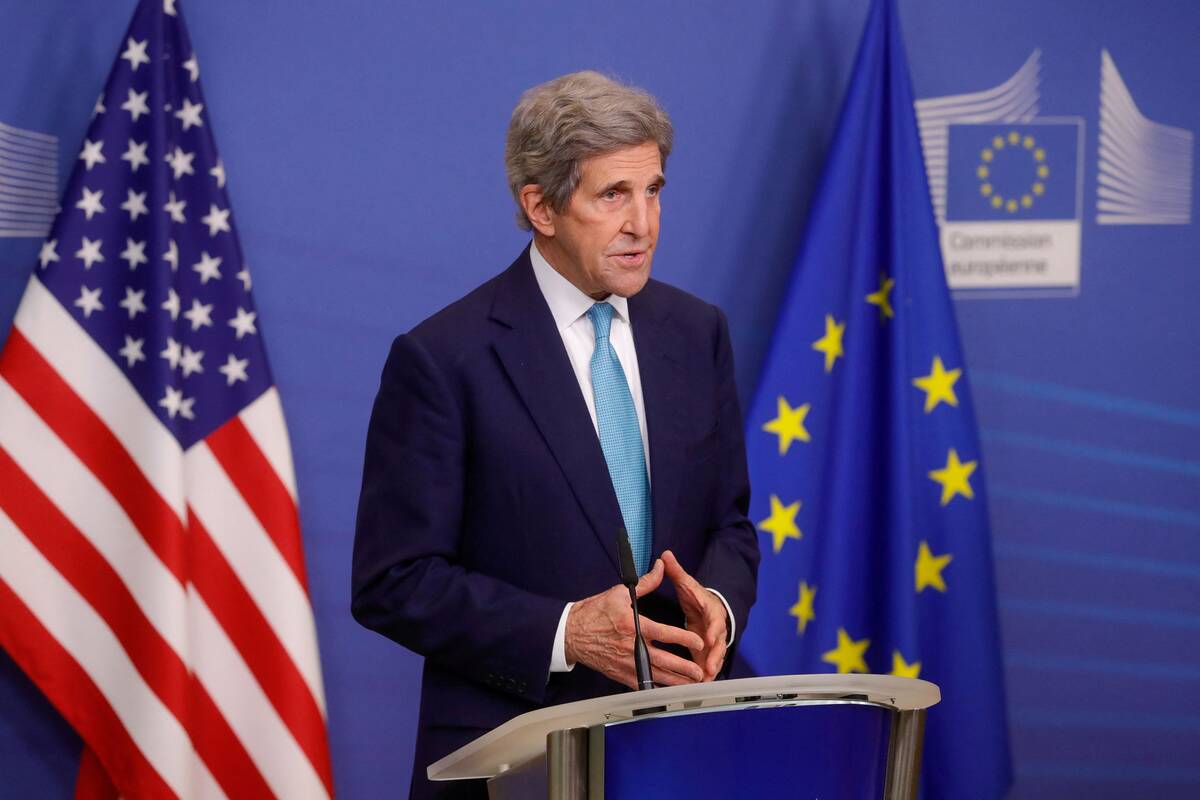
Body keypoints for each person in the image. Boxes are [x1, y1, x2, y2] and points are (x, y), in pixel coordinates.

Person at [352, 70, 759, 800]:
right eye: (613, 196)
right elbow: (394, 581)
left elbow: (730, 523)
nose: (644, 223)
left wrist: (719, 611)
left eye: (654, 190)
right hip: (514, 758)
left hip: (688, 746)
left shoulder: (697, 334)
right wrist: (565, 631)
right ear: (540, 206)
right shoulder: (446, 359)